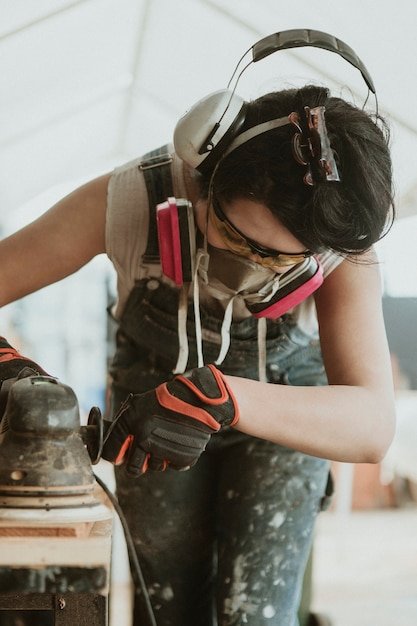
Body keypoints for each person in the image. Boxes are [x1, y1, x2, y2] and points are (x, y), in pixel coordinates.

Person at [0, 31, 396, 626]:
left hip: (283, 410)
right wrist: (16, 375)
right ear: (205, 175)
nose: (254, 269)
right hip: (148, 410)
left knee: (255, 616)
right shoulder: (133, 198)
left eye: (282, 261)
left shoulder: (339, 244)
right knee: (169, 611)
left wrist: (224, 395)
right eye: (239, 239)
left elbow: (372, 426)